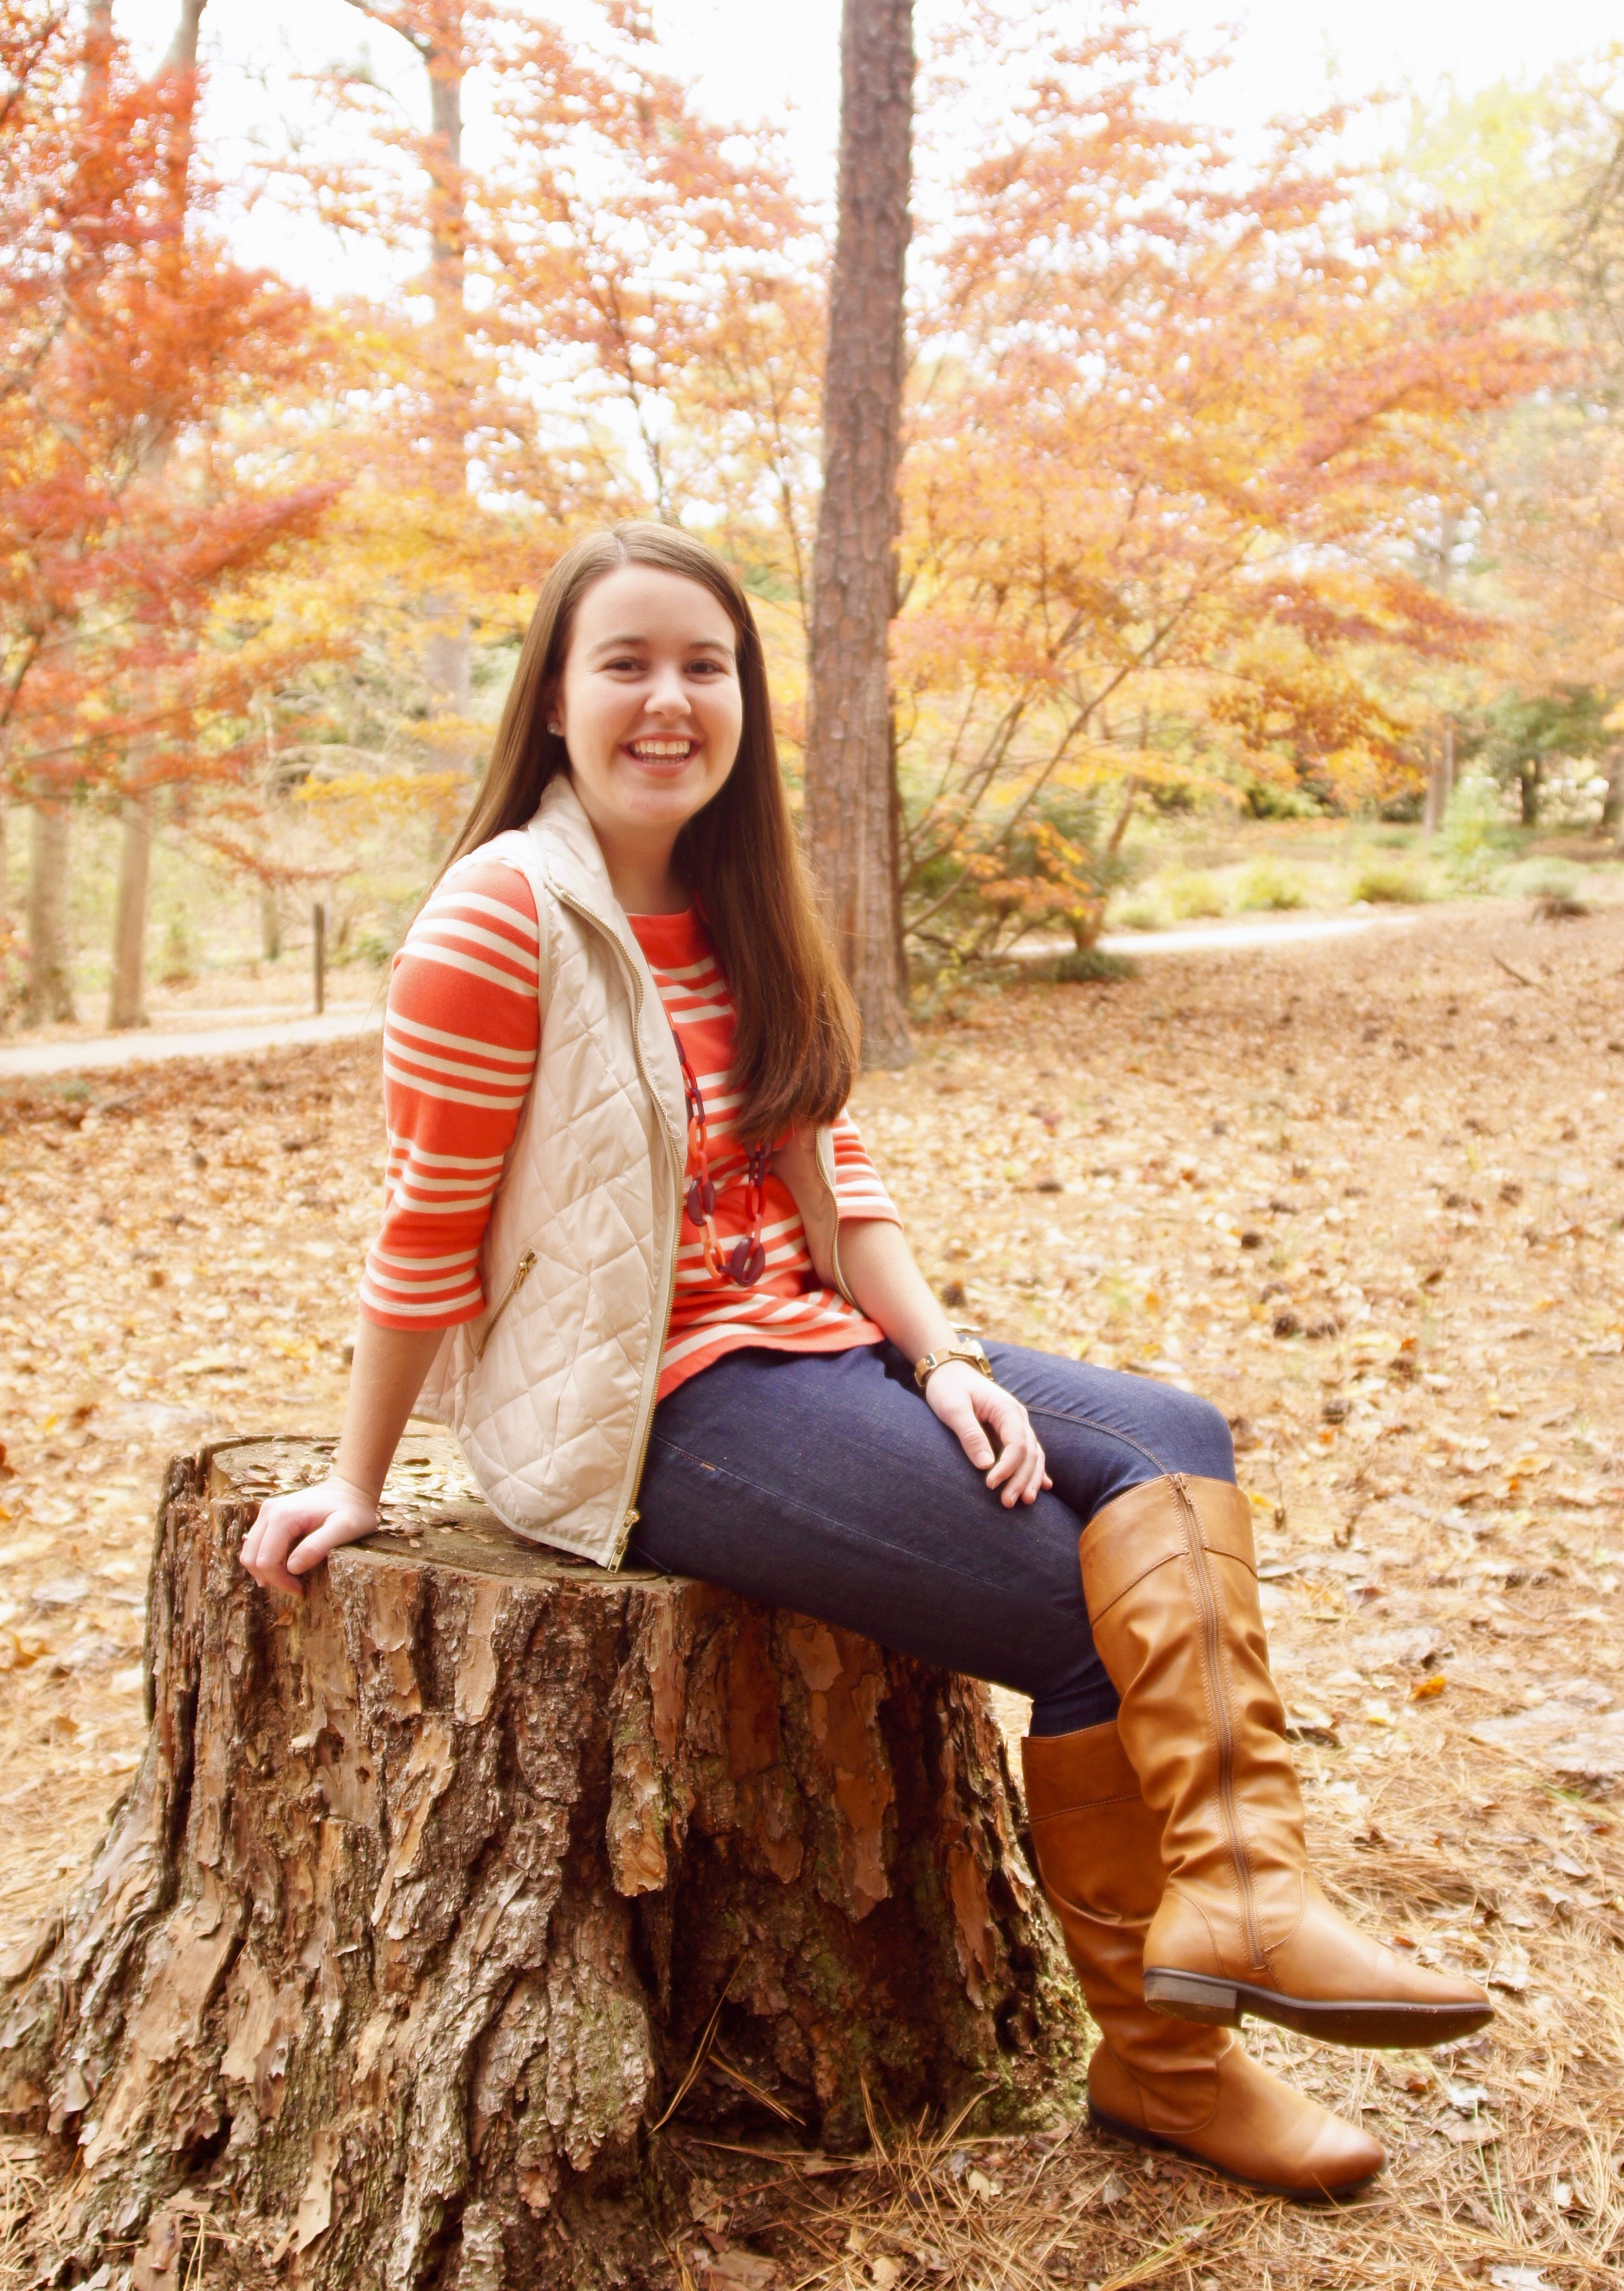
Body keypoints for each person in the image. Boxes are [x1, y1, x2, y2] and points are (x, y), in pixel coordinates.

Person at [241, 522, 1490, 2200]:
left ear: (746, 698)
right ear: (552, 699)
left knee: (1171, 1434)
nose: (670, 699)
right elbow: (426, 1225)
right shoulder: (497, 920)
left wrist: (943, 1356)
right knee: (1071, 1607)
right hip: (653, 1410)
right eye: (626, 663)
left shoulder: (742, 901)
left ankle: (1248, 1897)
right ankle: (1171, 2063)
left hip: (817, 1347)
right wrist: (358, 1479)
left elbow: (840, 1180)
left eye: (706, 665)